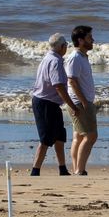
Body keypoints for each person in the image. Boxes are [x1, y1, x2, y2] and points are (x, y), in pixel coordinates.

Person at [29, 33, 76, 176]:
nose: (66, 48)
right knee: (46, 138)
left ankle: (62, 168)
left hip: (50, 102)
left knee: (60, 136)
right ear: (62, 46)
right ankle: (35, 170)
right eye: (66, 45)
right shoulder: (55, 61)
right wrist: (72, 106)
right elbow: (58, 87)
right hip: (45, 102)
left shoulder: (49, 58)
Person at [65, 24, 98, 176]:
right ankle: (80, 170)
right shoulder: (75, 57)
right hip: (79, 102)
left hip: (82, 101)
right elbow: (71, 81)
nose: (92, 40)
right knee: (91, 136)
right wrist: (84, 101)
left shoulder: (83, 57)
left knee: (78, 136)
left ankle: (77, 168)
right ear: (80, 40)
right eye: (89, 38)